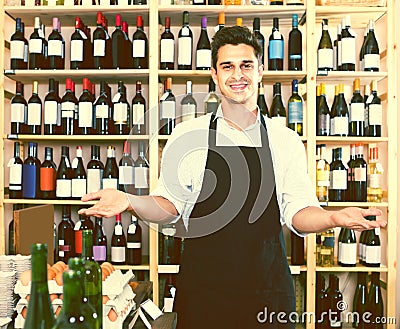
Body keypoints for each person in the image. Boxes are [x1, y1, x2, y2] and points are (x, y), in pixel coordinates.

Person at [79, 26, 385, 328]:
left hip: (267, 293)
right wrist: (130, 200)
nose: (237, 75)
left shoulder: (285, 139)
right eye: (227, 66)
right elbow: (169, 205)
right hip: (204, 293)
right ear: (214, 74)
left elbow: (297, 212)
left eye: (246, 65)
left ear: (261, 71)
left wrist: (334, 218)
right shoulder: (189, 135)